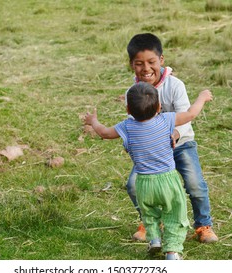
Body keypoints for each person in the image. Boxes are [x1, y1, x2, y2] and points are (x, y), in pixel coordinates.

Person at [85, 82, 213, 260]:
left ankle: (154, 239)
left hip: (143, 183)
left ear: (128, 109)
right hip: (167, 180)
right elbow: (191, 114)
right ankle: (172, 251)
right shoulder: (166, 119)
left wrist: (93, 121)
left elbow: (104, 133)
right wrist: (202, 97)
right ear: (159, 107)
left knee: (149, 213)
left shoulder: (126, 126)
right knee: (175, 214)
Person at [126, 33, 218, 244]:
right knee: (133, 185)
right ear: (132, 64)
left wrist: (175, 134)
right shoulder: (133, 91)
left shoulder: (175, 86)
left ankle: (203, 225)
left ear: (162, 60)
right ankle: (151, 223)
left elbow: (185, 116)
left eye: (151, 62)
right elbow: (132, 121)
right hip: (153, 151)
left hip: (181, 143)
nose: (146, 69)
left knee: (195, 184)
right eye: (139, 64)